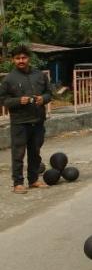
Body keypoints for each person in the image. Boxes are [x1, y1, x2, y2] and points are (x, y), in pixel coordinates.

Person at [1, 45, 52, 194]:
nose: (21, 61)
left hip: (37, 120)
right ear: (13, 60)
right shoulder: (9, 79)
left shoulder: (40, 75)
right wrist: (18, 101)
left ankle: (34, 179)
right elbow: (2, 99)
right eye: (17, 58)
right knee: (19, 153)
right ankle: (17, 183)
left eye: (23, 58)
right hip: (19, 122)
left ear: (28, 58)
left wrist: (43, 99)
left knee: (35, 151)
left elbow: (49, 93)